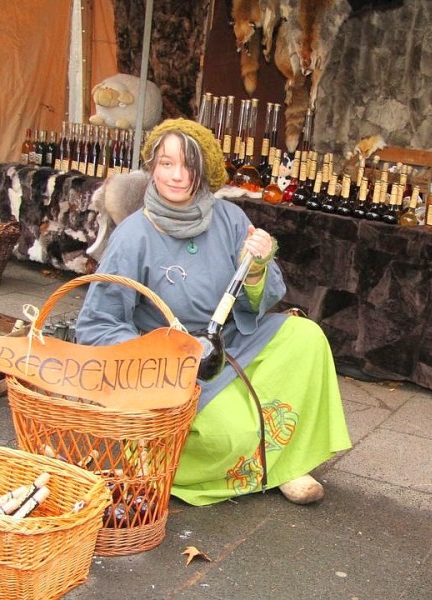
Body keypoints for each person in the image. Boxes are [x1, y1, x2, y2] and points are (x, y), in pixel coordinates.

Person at [76, 118, 352, 506]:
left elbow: (258, 300)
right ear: (152, 167)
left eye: (187, 165)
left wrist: (255, 269)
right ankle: (252, 463)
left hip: (229, 341)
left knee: (306, 338)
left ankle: (286, 464)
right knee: (229, 435)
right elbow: (97, 325)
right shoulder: (134, 235)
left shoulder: (229, 218)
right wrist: (158, 356)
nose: (176, 175)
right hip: (173, 366)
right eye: (166, 163)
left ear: (203, 170)